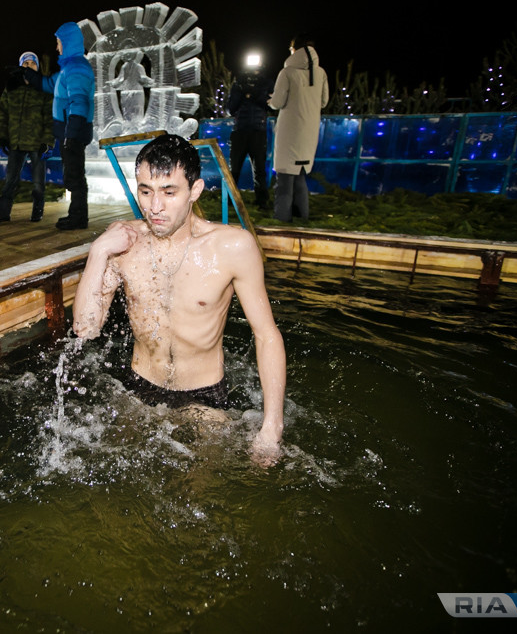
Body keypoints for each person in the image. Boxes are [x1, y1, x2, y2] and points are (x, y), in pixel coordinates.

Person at [72, 134, 286, 464]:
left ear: (194, 191)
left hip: (205, 396)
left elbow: (266, 334)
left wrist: (271, 428)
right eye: (145, 191)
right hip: (140, 385)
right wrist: (97, 252)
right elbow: (86, 328)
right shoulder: (123, 243)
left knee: (203, 493)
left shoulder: (232, 247)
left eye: (169, 192)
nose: (154, 207)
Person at [24, 22, 94, 231]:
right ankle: (76, 215)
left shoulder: (77, 68)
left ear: (67, 42)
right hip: (69, 131)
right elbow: (47, 84)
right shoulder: (68, 68)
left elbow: (79, 101)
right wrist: (28, 75)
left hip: (73, 131)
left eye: (58, 42)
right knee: (72, 175)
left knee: (75, 176)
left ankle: (79, 218)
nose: (57, 47)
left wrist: (71, 135)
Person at [267, 35, 329, 222]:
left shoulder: (287, 73)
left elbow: (277, 103)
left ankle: (282, 220)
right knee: (300, 178)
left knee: (284, 180)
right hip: (309, 131)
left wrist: (270, 100)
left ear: (295, 50)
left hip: (289, 132)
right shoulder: (321, 73)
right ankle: (302, 218)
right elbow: (324, 102)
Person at [0, 51, 55, 223]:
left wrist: (47, 142)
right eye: (25, 63)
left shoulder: (43, 88)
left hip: (36, 141)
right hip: (16, 142)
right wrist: (2, 137)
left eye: (32, 63)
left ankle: (37, 211)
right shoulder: (11, 88)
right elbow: (3, 114)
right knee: (10, 179)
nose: (29, 66)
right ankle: (3, 213)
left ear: (37, 67)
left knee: (38, 182)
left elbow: (50, 117)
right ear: (20, 66)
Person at [227, 61, 273, 208]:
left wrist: (253, 94)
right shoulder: (238, 84)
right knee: (234, 168)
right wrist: (242, 93)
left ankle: (262, 201)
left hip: (258, 131)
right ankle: (229, 200)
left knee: (259, 168)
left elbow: (270, 105)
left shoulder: (266, 84)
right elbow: (230, 109)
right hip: (240, 131)